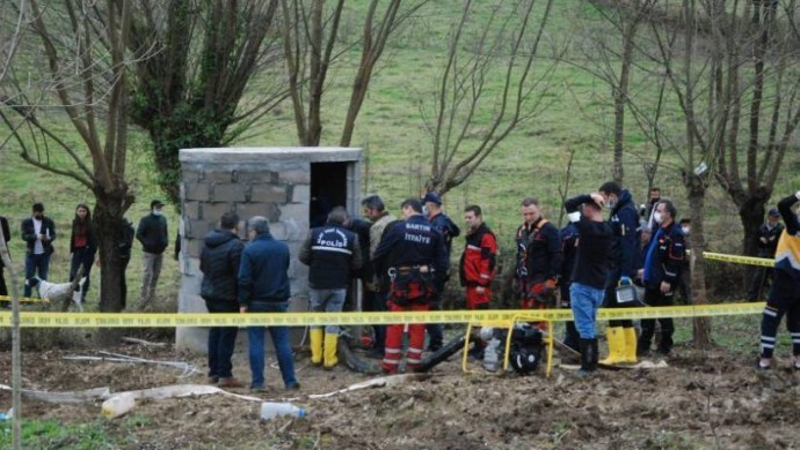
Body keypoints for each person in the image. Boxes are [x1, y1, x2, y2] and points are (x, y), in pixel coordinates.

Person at [373, 198, 448, 374]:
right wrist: (436, 286)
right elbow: (442, 263)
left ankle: (390, 365)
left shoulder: (398, 228)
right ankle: (414, 364)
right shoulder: (434, 231)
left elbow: (379, 254)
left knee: (395, 323)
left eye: (403, 211)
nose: (403, 215)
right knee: (418, 324)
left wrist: (381, 277)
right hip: (423, 283)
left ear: (408, 209)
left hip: (401, 280)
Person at [238, 216, 299, 391]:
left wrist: (243, 302)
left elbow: (244, 279)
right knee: (282, 341)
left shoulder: (249, 250)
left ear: (253, 231)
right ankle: (290, 381)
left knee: (256, 342)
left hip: (256, 302)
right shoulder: (282, 248)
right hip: (279, 301)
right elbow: (284, 271)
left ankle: (258, 382)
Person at [299, 206, 363, 369]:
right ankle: (329, 359)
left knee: (316, 319)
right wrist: (343, 266)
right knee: (332, 321)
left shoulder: (314, 233)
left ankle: (316, 357)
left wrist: (317, 264)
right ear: (345, 221)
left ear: (328, 219)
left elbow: (303, 256)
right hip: (338, 285)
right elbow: (357, 263)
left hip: (317, 283)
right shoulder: (352, 237)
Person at [564, 193, 612, 376]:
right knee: (590, 325)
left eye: (585, 207)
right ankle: (592, 362)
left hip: (582, 283)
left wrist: (588, 196)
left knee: (584, 327)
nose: (583, 210)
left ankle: (588, 366)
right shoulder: (607, 229)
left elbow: (569, 204)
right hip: (599, 284)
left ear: (591, 208)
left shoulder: (586, 227)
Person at [597, 181, 641, 365]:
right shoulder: (619, 210)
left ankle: (618, 353)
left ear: (612, 195)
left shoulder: (625, 212)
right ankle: (628, 353)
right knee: (622, 309)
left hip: (618, 268)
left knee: (612, 308)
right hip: (615, 265)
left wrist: (625, 272)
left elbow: (628, 243)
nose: (603, 201)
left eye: (604, 197)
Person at [200, 212, 245, 388]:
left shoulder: (208, 242)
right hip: (228, 297)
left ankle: (214, 372)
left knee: (215, 332)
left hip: (210, 293)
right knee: (227, 335)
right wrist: (243, 300)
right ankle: (225, 374)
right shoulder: (236, 245)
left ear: (220, 223)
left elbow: (202, 266)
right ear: (236, 225)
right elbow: (240, 274)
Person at [757, 192, 800, 371]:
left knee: (770, 318)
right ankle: (798, 360)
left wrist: (798, 194)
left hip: (786, 280)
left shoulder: (794, 226)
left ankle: (765, 360)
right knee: (797, 321)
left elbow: (782, 205)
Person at [637, 199, 685, 356]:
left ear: (668, 214)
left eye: (660, 211)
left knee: (664, 316)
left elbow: (676, 260)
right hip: (651, 280)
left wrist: (668, 280)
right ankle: (643, 346)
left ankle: (665, 347)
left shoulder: (675, 233)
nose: (657, 214)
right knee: (647, 315)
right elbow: (654, 254)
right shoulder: (659, 230)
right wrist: (646, 270)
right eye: (656, 210)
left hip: (664, 282)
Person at [422, 192, 461, 351]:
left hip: (435, 271)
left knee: (430, 306)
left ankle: (436, 342)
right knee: (429, 305)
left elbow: (435, 249)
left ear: (430, 205)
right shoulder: (443, 221)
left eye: (424, 205)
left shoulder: (438, 224)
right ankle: (434, 341)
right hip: (437, 270)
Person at [361, 195, 398, 358]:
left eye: (367, 211)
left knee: (379, 309)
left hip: (381, 276)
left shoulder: (377, 227)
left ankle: (381, 346)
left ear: (374, 210)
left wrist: (372, 279)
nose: (365, 214)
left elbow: (374, 254)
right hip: (395, 274)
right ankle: (390, 344)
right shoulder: (395, 221)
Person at [515, 198, 562, 325]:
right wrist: (516, 276)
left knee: (538, 315)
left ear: (539, 210)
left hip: (541, 278)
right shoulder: (521, 230)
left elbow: (557, 255)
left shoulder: (549, 230)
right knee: (525, 316)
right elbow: (519, 253)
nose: (528, 217)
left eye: (531, 213)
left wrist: (552, 278)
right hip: (524, 278)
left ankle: (539, 335)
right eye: (525, 214)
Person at [459, 205, 497, 310]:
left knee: (480, 316)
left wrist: (482, 284)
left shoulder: (486, 236)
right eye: (466, 217)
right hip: (471, 285)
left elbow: (488, 262)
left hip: (479, 287)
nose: (467, 220)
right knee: (472, 316)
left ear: (479, 217)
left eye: (470, 217)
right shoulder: (472, 235)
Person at [136, 199, 169, 307]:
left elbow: (165, 232)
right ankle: (143, 296)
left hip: (160, 252)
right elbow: (139, 234)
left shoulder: (163, 219)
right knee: (148, 274)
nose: (160, 209)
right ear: (152, 207)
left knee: (156, 274)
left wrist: (165, 242)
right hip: (149, 252)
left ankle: (152, 295)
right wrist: (147, 243)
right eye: (158, 207)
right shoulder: (145, 220)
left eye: (161, 207)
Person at [747, 209, 784, 302]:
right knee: (758, 279)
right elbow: (757, 242)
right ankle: (752, 300)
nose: (776, 219)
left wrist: (772, 241)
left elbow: (782, 243)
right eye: (774, 217)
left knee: (776, 279)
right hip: (763, 255)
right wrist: (762, 240)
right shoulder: (761, 228)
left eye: (777, 217)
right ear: (769, 217)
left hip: (775, 256)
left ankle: (778, 301)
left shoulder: (781, 228)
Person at [21, 203, 56, 298]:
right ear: (33, 212)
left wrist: (49, 238)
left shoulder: (48, 221)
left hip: (45, 253)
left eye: (41, 212)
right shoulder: (27, 222)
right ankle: (26, 297)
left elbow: (53, 234)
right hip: (31, 253)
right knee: (29, 275)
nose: (39, 214)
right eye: (37, 212)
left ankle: (42, 296)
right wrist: (36, 236)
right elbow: (24, 236)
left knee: (43, 276)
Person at [558, 220, 581, 352]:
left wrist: (557, 277)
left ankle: (571, 341)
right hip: (586, 278)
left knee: (569, 309)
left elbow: (560, 257)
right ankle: (574, 341)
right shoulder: (596, 229)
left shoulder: (566, 233)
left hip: (568, 277)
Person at [69, 204, 97, 303]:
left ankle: (82, 295)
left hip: (87, 251)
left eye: (84, 211)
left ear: (87, 212)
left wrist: (92, 251)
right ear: (77, 212)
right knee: (73, 273)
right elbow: (73, 237)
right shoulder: (75, 222)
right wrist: (71, 250)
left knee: (85, 274)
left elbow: (94, 239)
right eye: (80, 211)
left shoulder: (91, 224)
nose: (81, 213)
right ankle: (72, 294)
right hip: (77, 250)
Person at [116, 217, 136, 309]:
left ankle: (122, 302)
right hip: (121, 254)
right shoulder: (122, 226)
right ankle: (120, 301)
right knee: (119, 277)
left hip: (123, 255)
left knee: (120, 277)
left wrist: (115, 247)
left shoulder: (128, 228)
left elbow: (127, 243)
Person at [0, 215, 10, 302]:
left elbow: (8, 237)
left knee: (0, 278)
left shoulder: (2, 220)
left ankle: (5, 301)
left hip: (1, 254)